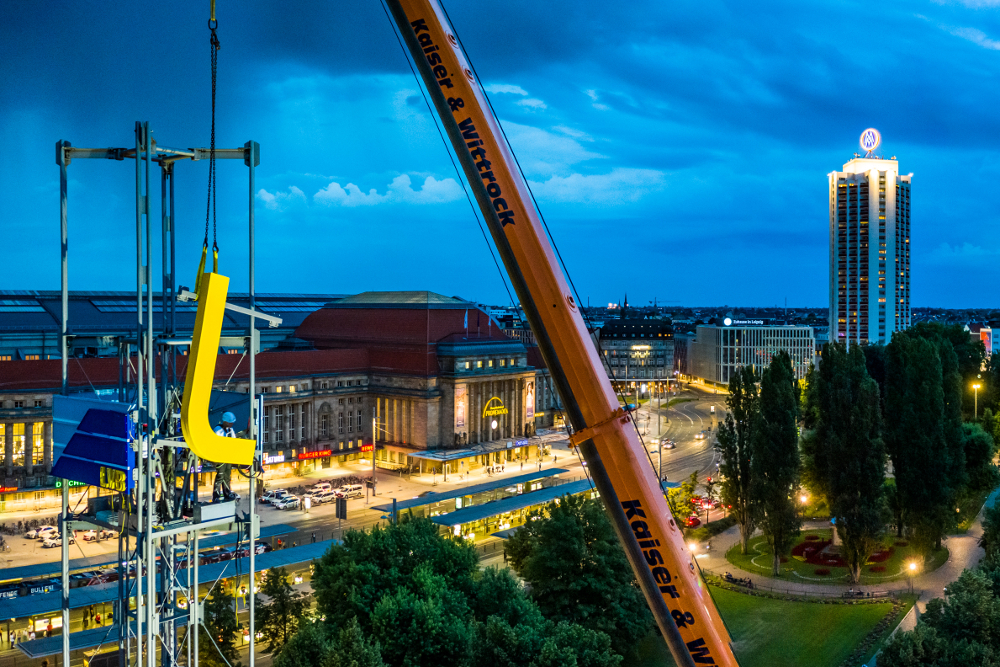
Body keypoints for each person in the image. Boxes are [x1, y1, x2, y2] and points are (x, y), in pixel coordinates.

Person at [212, 412, 239, 502]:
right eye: (230, 422)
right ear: (225, 422)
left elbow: (234, 441)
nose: (232, 424)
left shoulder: (230, 430)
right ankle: (216, 495)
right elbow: (218, 443)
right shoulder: (218, 430)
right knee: (220, 476)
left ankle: (227, 493)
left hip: (228, 457)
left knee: (227, 476)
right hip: (220, 457)